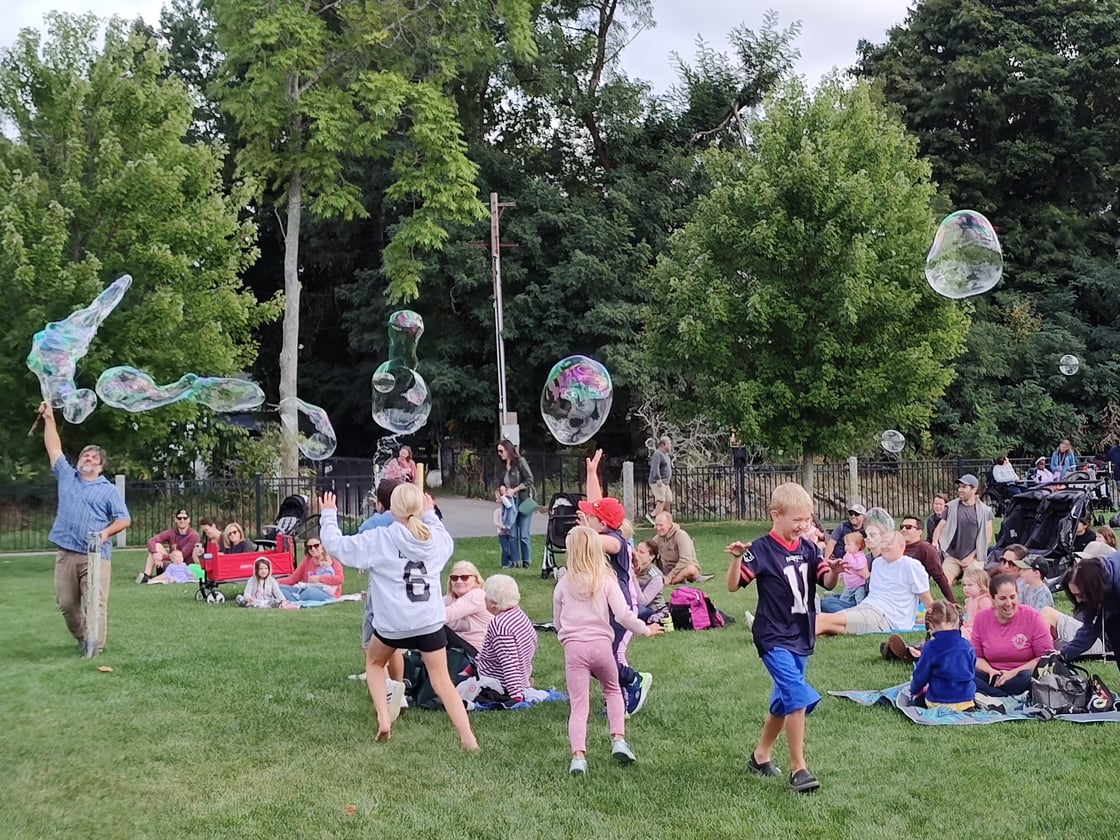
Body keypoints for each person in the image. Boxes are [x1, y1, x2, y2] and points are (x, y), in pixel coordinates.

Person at [319, 485, 478, 749]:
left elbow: (338, 546)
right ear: (420, 508)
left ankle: (384, 717)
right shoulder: (435, 539)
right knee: (442, 681)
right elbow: (443, 537)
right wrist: (430, 513)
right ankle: (467, 736)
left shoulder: (379, 538)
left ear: (392, 509)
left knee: (374, 663)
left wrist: (328, 515)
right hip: (428, 623)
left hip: (392, 625)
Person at [724, 483, 839, 794]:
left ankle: (760, 756)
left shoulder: (809, 549)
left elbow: (827, 582)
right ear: (776, 515)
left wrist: (836, 571)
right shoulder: (762, 549)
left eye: (808, 519)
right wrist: (736, 560)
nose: (803, 525)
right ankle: (799, 768)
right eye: (797, 519)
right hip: (772, 636)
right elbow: (733, 586)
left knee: (782, 701)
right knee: (797, 697)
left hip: (801, 635)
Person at [555, 525, 662, 775]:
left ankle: (578, 757)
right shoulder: (606, 579)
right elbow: (623, 614)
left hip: (574, 649)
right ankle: (618, 740)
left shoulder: (563, 584)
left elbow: (558, 622)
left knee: (579, 705)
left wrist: (565, 637)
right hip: (602, 646)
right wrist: (645, 630)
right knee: (613, 690)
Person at [38, 401, 131, 655]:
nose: (88, 458)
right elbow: (54, 448)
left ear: (100, 466)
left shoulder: (108, 490)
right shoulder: (67, 476)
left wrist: (106, 533)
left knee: (95, 603)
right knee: (67, 603)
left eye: (94, 457)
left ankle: (95, 646)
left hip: (95, 555)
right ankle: (82, 637)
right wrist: (49, 419)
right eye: (85, 456)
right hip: (66, 553)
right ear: (79, 461)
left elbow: (124, 519)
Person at [580, 449, 652, 715]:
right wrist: (591, 474)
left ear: (601, 524)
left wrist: (585, 532)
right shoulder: (602, 529)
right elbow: (596, 505)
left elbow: (599, 540)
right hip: (603, 605)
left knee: (609, 657)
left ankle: (634, 681)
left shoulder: (616, 540)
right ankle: (616, 697)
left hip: (620, 608)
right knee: (599, 656)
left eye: (591, 518)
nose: (586, 518)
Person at [816, 531, 933, 636]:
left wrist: (936, 621)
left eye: (888, 543)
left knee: (822, 620)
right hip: (866, 607)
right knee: (826, 622)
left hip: (887, 617)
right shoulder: (877, 563)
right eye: (883, 543)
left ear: (901, 546)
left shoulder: (911, 565)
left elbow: (925, 597)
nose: (884, 546)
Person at [459, 574, 538, 705]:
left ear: (494, 604)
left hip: (495, 684)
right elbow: (487, 652)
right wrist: (469, 669)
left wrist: (516, 696)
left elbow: (509, 662)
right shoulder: (519, 615)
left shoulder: (500, 625)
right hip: (521, 678)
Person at [970, 573, 1054, 696]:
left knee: (1029, 678)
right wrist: (990, 671)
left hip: (1021, 675)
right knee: (962, 674)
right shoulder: (981, 618)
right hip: (992, 676)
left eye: (1012, 597)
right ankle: (999, 695)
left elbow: (1046, 657)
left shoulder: (1032, 617)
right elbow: (976, 657)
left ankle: (992, 695)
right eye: (1003, 598)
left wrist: (1014, 672)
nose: (1009, 603)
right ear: (992, 599)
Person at [1057, 550, 1120, 671]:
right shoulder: (1095, 589)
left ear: (1092, 587)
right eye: (1075, 595)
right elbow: (1089, 630)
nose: (1078, 600)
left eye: (1080, 595)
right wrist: (1062, 654)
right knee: (1113, 628)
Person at [909, 601, 976, 710]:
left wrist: (913, 690)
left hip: (940, 701)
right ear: (957, 621)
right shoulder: (967, 645)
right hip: (966, 700)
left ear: (931, 625)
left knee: (918, 699)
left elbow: (920, 677)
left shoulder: (931, 647)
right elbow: (972, 668)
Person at [933, 474, 994, 586]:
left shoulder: (986, 511)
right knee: (943, 583)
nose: (960, 490)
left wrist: (971, 557)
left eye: (964, 487)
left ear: (973, 489)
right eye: (959, 487)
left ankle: (963, 575)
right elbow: (940, 527)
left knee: (971, 584)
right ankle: (957, 575)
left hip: (974, 558)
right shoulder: (950, 507)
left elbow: (987, 538)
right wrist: (935, 541)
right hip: (953, 556)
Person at [900, 514, 957, 604]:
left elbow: (940, 578)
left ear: (919, 531)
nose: (903, 530)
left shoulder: (926, 549)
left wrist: (953, 603)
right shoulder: (896, 547)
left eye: (908, 527)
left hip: (914, 598)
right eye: (901, 527)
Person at [497, 439, 534, 569]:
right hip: (510, 504)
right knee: (512, 534)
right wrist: (502, 489)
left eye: (501, 451)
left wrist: (516, 489)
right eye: (498, 451)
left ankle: (526, 560)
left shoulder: (520, 462)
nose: (499, 454)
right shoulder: (502, 466)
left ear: (508, 450)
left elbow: (529, 479)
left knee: (524, 534)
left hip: (523, 501)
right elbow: (501, 482)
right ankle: (514, 561)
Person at [137, 509, 199, 583]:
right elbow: (151, 541)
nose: (182, 520)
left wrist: (161, 557)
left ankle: (150, 578)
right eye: (179, 518)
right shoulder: (171, 532)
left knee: (167, 558)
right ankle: (147, 574)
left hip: (184, 566)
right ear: (176, 520)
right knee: (156, 546)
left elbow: (182, 555)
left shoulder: (194, 535)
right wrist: (155, 553)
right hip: (171, 564)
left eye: (185, 518)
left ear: (189, 520)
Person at [443, 561, 492, 655]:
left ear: (475, 580)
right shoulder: (452, 598)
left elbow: (446, 615)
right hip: (461, 648)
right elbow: (433, 608)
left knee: (436, 629)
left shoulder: (477, 595)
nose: (459, 581)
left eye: (464, 577)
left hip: (478, 653)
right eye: (454, 578)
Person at [276, 538, 345, 602]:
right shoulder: (307, 560)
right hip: (305, 588)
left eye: (316, 546)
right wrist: (274, 582)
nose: (313, 549)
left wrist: (319, 578)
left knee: (309, 592)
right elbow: (293, 579)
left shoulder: (331, 560)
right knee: (279, 588)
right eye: (310, 547)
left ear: (322, 546)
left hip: (326, 592)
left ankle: (295, 599)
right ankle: (296, 599)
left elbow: (340, 579)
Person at [818, 532, 868, 613]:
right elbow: (844, 566)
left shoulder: (860, 556)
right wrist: (841, 574)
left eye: (848, 545)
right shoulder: (847, 555)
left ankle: (860, 613)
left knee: (860, 601)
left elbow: (858, 566)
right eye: (845, 544)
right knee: (843, 599)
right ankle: (838, 603)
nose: (846, 547)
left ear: (858, 546)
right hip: (849, 585)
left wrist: (849, 557)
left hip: (859, 585)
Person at [652, 512, 703, 584]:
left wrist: (670, 575)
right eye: (656, 525)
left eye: (661, 525)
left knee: (691, 569)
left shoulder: (681, 535)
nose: (658, 528)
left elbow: (686, 560)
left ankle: (669, 581)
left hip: (683, 569)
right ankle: (667, 580)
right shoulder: (656, 539)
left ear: (669, 525)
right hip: (666, 570)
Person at [633, 540, 666, 621]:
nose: (637, 554)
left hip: (652, 609)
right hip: (634, 604)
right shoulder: (632, 568)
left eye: (641, 552)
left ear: (651, 557)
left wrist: (633, 580)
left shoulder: (656, 577)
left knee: (638, 611)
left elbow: (643, 603)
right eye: (636, 550)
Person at [960, 566, 993, 641]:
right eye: (964, 585)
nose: (966, 588)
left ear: (981, 586)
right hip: (968, 626)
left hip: (978, 631)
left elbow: (988, 620)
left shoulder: (984, 600)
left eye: (970, 585)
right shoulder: (970, 600)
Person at [648, 435, 673, 524]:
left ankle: (665, 519)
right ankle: (653, 517)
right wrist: (658, 478)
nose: (670, 446)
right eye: (669, 444)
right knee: (661, 500)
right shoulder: (657, 454)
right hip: (658, 482)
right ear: (663, 444)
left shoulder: (666, 455)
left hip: (665, 482)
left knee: (668, 499)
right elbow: (655, 467)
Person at [493, 485, 516, 569]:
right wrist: (503, 527)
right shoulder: (497, 511)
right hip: (502, 533)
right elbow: (496, 522)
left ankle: (512, 562)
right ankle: (504, 563)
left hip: (508, 531)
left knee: (511, 548)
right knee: (505, 548)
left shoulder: (508, 510)